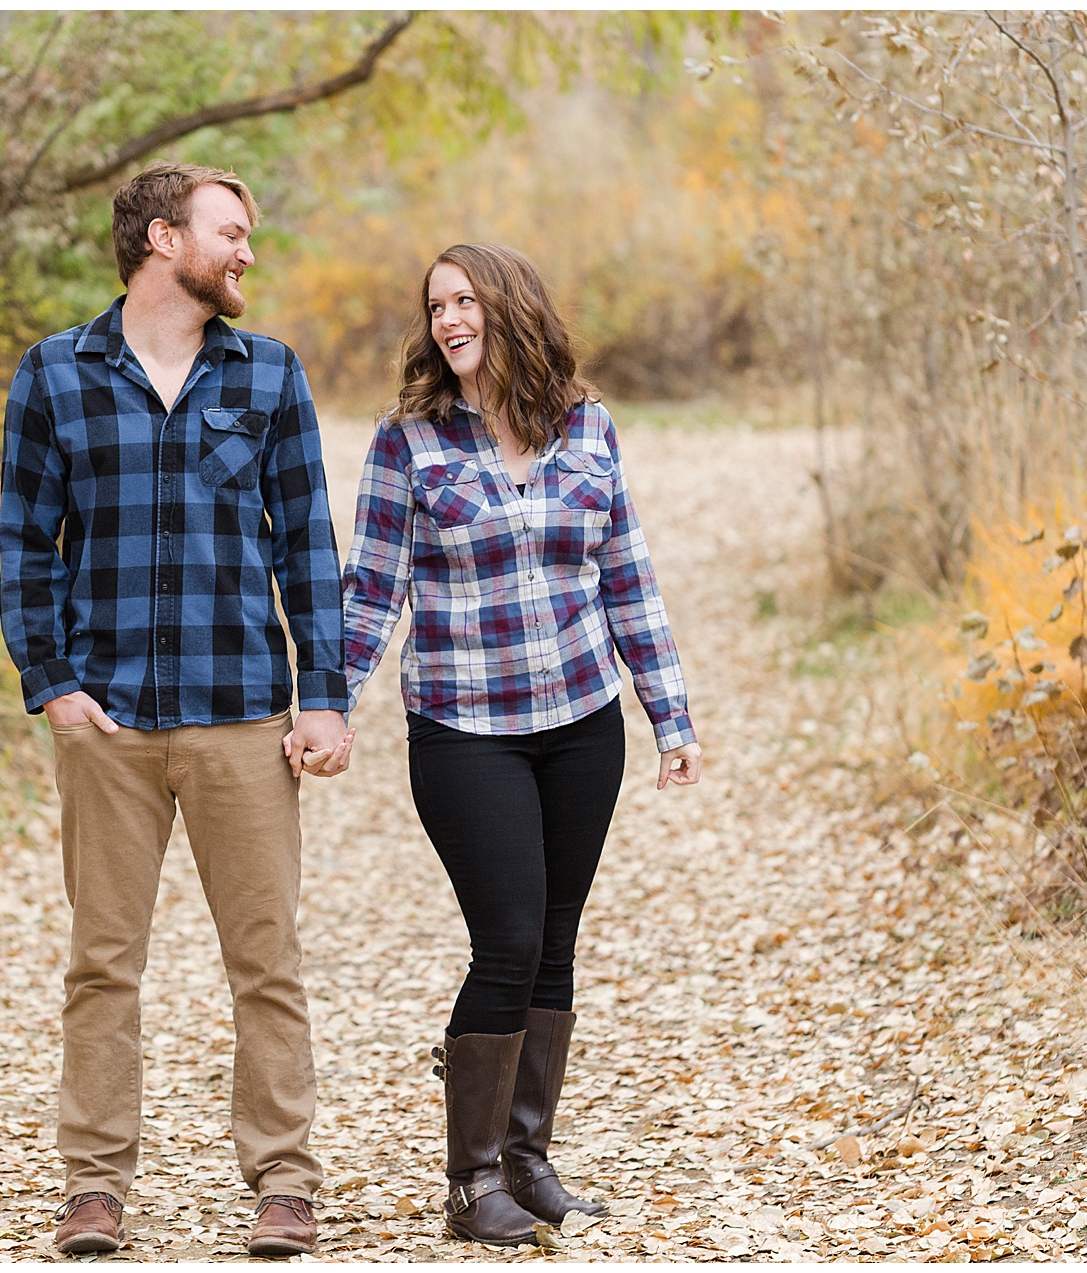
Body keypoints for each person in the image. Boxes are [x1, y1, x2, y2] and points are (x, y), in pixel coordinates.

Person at [0, 161, 355, 1259]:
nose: (247, 251)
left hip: (241, 714)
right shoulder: (55, 373)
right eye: (229, 231)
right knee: (102, 962)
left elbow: (308, 546)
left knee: (267, 961)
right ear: (164, 239)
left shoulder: (269, 373)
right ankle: (94, 1185)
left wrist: (323, 696)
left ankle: (284, 1182)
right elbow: (25, 543)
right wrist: (51, 681)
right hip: (107, 720)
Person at [340, 243, 701, 1247]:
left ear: (511, 307)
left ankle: (527, 1159)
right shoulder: (409, 440)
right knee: (506, 939)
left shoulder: (586, 425)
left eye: (466, 300)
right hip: (465, 725)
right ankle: (471, 1180)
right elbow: (371, 588)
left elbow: (626, 574)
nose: (449, 319)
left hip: (582, 720)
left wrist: (669, 715)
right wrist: (326, 704)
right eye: (436, 306)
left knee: (554, 938)